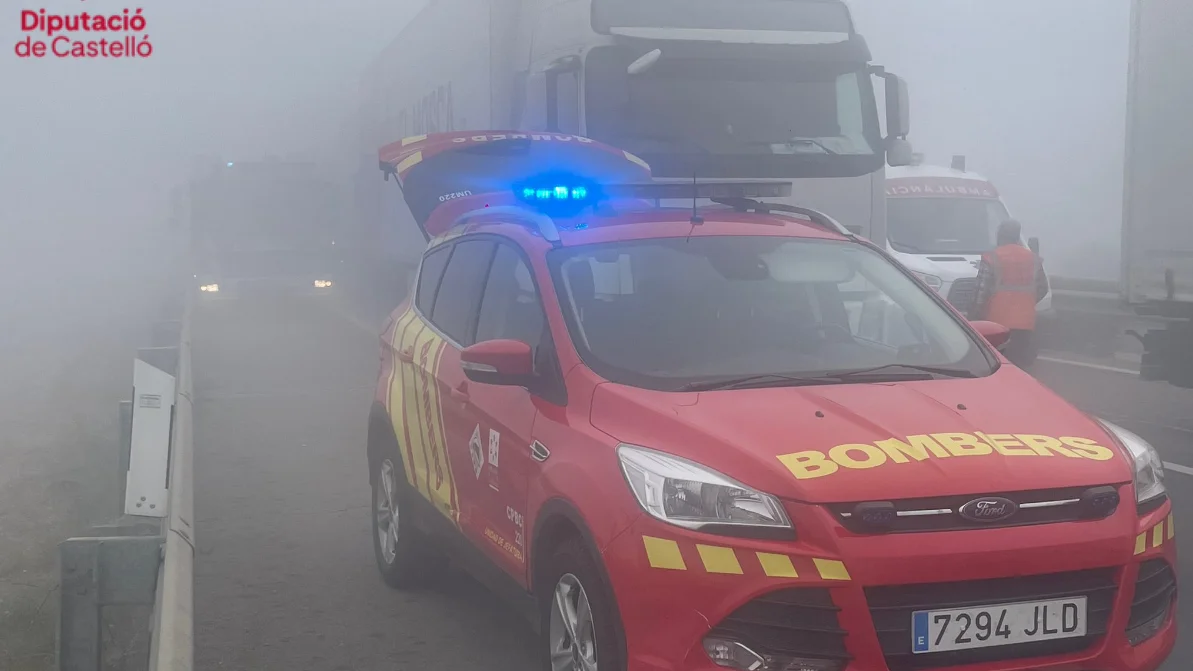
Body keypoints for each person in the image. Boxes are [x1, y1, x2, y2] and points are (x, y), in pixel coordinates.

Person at [969, 220, 1048, 367]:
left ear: (1000, 236)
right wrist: (1026, 303)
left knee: (996, 365)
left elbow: (980, 292)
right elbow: (1043, 287)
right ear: (1017, 237)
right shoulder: (1032, 258)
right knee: (1020, 366)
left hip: (996, 323)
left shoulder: (992, 257)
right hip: (1025, 323)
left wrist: (973, 319)